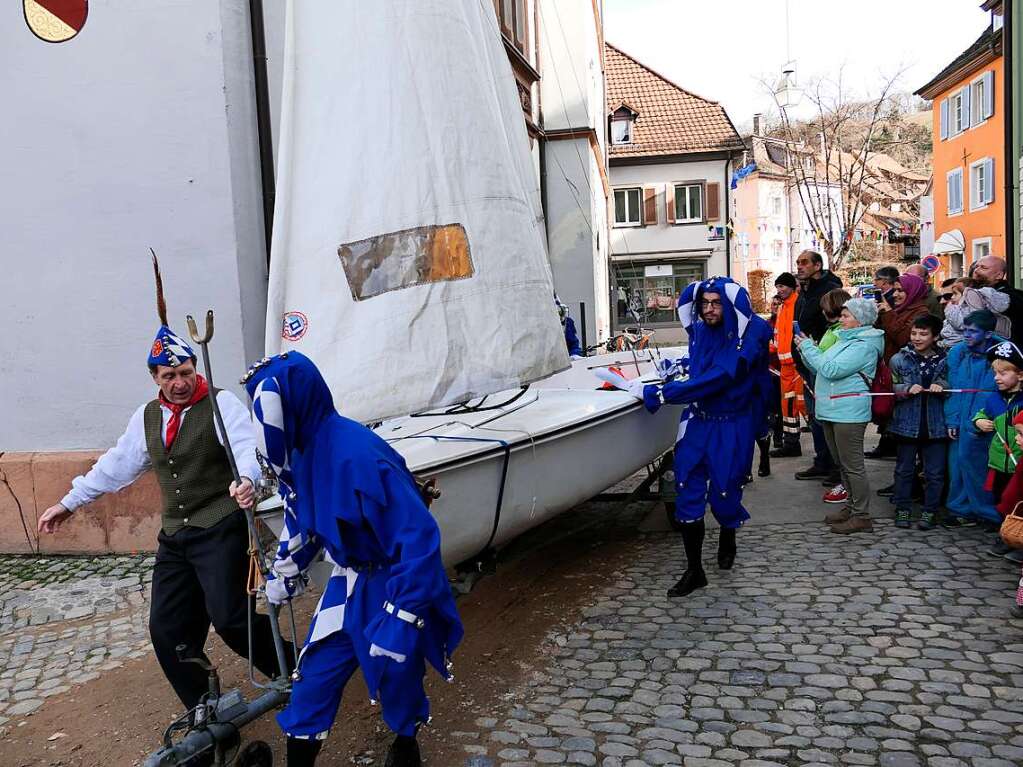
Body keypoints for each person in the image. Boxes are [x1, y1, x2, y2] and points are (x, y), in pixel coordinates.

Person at [36, 261, 291, 718]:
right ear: (155, 378)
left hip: (220, 526)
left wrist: (248, 482)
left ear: (195, 366)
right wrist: (68, 503)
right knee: (167, 627)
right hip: (176, 536)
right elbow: (115, 466)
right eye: (168, 376)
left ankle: (293, 669)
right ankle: (203, 703)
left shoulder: (221, 403)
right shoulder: (147, 417)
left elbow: (244, 447)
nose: (179, 382)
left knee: (232, 619)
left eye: (185, 371)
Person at [242, 352, 463, 767]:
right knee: (314, 678)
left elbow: (417, 538)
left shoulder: (358, 455)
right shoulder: (302, 453)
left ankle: (405, 743)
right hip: (347, 581)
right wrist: (284, 573)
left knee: (395, 673)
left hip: (388, 580)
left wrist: (403, 615)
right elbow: (303, 518)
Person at [599, 278, 771, 597]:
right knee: (687, 490)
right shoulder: (702, 330)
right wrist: (672, 371)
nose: (708, 309)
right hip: (698, 423)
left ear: (730, 305)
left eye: (716, 303)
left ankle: (728, 534)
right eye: (704, 303)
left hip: (733, 426)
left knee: (725, 492)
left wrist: (665, 393)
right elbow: (698, 365)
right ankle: (695, 570)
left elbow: (718, 377)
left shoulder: (751, 335)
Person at [795, 298, 885, 534]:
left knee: (853, 466)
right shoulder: (846, 340)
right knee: (842, 464)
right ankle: (851, 506)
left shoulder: (863, 345)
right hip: (833, 409)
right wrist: (808, 350)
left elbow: (830, 369)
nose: (841, 320)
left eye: (846, 316)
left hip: (849, 412)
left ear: (860, 320)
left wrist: (808, 349)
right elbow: (821, 365)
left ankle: (861, 515)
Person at [888, 314, 948, 530]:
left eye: (923, 334)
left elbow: (952, 384)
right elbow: (890, 388)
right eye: (914, 333)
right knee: (904, 469)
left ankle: (930, 511)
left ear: (935, 336)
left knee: (935, 472)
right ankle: (902, 507)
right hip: (906, 424)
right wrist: (904, 389)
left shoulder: (945, 360)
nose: (917, 338)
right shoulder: (899, 359)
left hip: (936, 426)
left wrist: (942, 385)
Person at [944, 310, 1001, 528]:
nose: (966, 335)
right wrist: (953, 419)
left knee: (982, 470)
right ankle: (960, 510)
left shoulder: (1001, 354)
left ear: (987, 334)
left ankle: (989, 513)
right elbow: (953, 390)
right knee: (957, 466)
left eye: (972, 331)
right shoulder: (958, 353)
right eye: (965, 330)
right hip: (961, 418)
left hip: (987, 422)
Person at [792, 251, 843, 478]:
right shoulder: (804, 290)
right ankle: (822, 461)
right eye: (798, 263)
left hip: (823, 359)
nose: (800, 267)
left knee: (825, 418)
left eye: (804, 263)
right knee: (814, 417)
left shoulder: (830, 289)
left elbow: (833, 322)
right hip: (806, 362)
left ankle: (835, 465)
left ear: (817, 265)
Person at [973, 340, 1023, 512]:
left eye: (1003, 373)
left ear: (1020, 375)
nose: (996, 378)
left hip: (1019, 462)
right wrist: (978, 421)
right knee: (1000, 498)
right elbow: (982, 413)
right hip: (999, 462)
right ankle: (1005, 530)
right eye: (995, 373)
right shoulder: (994, 399)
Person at [770, 272, 805, 458]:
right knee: (788, 407)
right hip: (785, 366)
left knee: (803, 405)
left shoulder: (799, 304)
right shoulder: (783, 307)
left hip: (797, 364)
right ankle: (791, 444)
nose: (779, 290)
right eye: (777, 287)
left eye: (782, 286)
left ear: (791, 286)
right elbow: (777, 335)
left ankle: (827, 454)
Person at [941, 277, 1012, 348]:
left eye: (955, 294)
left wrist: (949, 310)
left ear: (966, 296)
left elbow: (959, 323)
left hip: (960, 346)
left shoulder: (968, 311)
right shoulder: (959, 309)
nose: (952, 297)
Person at [972, 255, 1023, 348]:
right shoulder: (973, 293)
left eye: (983, 267)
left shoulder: (1012, 298)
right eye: (976, 266)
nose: (976, 270)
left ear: (999, 275)